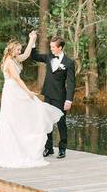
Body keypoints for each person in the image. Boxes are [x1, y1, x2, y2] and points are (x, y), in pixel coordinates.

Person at [0, 40, 64, 168]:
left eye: (20, 49)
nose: (19, 51)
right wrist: (28, 92)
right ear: (11, 50)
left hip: (15, 91)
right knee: (12, 119)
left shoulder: (15, 59)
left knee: (20, 117)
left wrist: (32, 40)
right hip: (12, 93)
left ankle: (25, 144)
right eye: (17, 50)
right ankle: (13, 151)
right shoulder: (10, 62)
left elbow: (26, 54)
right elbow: (17, 79)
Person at [28, 30, 75, 158]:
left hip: (60, 97)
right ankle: (48, 148)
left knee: (61, 122)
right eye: (50, 46)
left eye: (53, 47)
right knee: (46, 122)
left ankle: (62, 149)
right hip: (47, 95)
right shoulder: (49, 57)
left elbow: (71, 83)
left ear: (60, 47)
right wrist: (32, 41)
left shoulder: (69, 63)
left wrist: (69, 100)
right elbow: (35, 56)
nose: (51, 48)